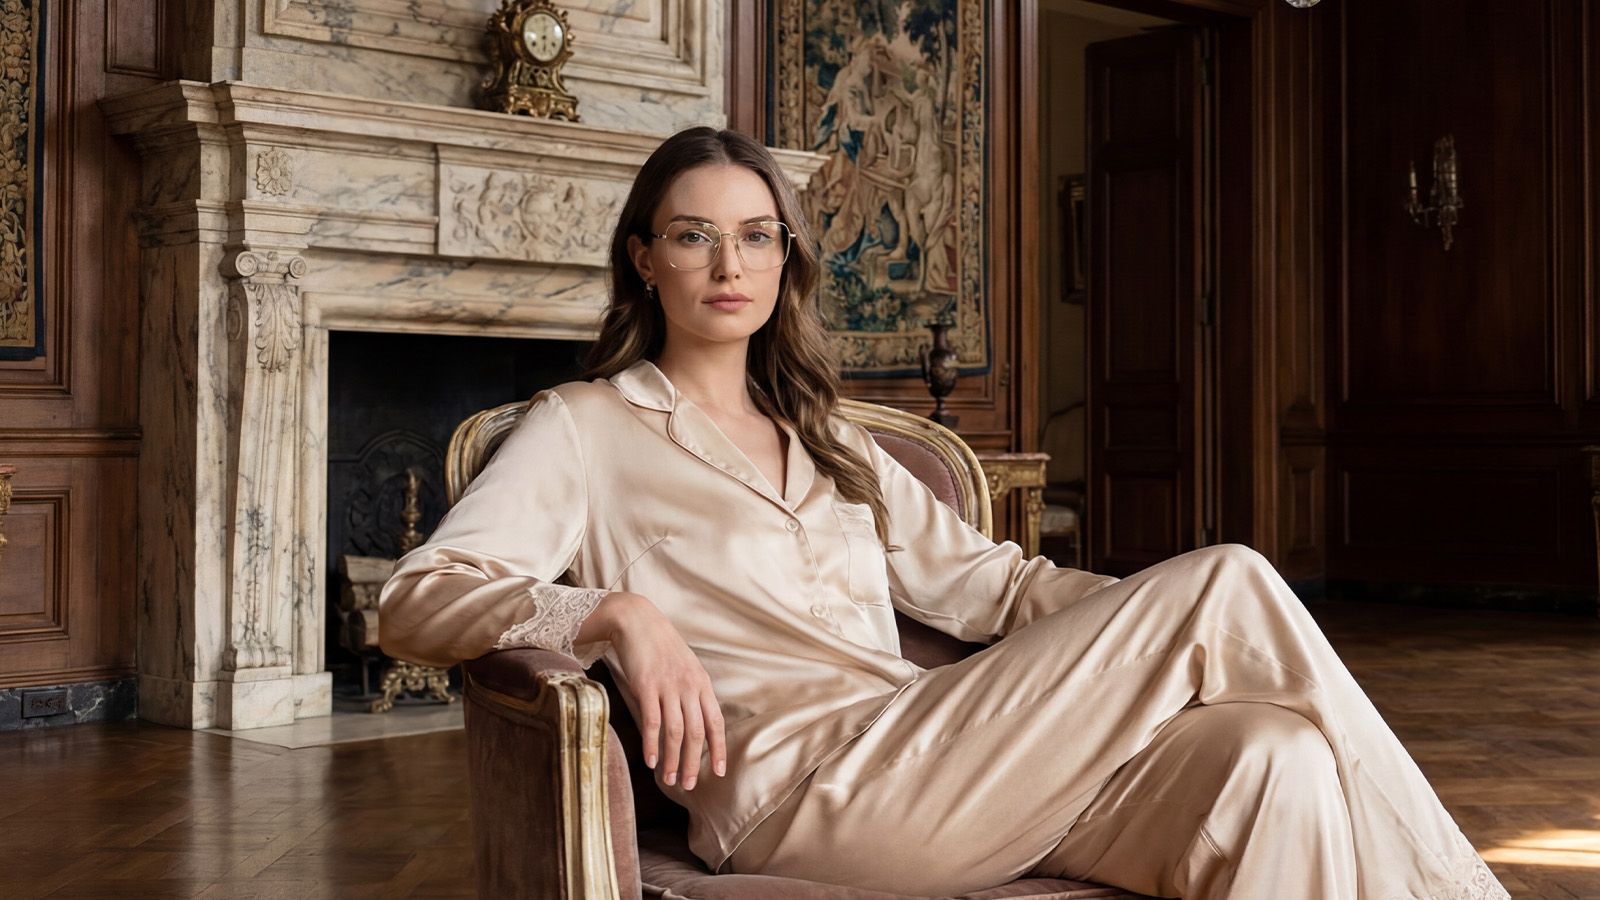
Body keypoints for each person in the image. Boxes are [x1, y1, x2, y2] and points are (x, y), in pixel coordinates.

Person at [378, 127, 1508, 900]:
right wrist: (610, 614)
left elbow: (1001, 590)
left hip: (943, 756)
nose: (729, 261)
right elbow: (415, 602)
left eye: (758, 234)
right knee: (1233, 579)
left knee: (1273, 755)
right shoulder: (584, 425)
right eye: (692, 235)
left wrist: (1148, 639)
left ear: (786, 260)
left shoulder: (834, 437)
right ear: (646, 258)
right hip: (804, 794)